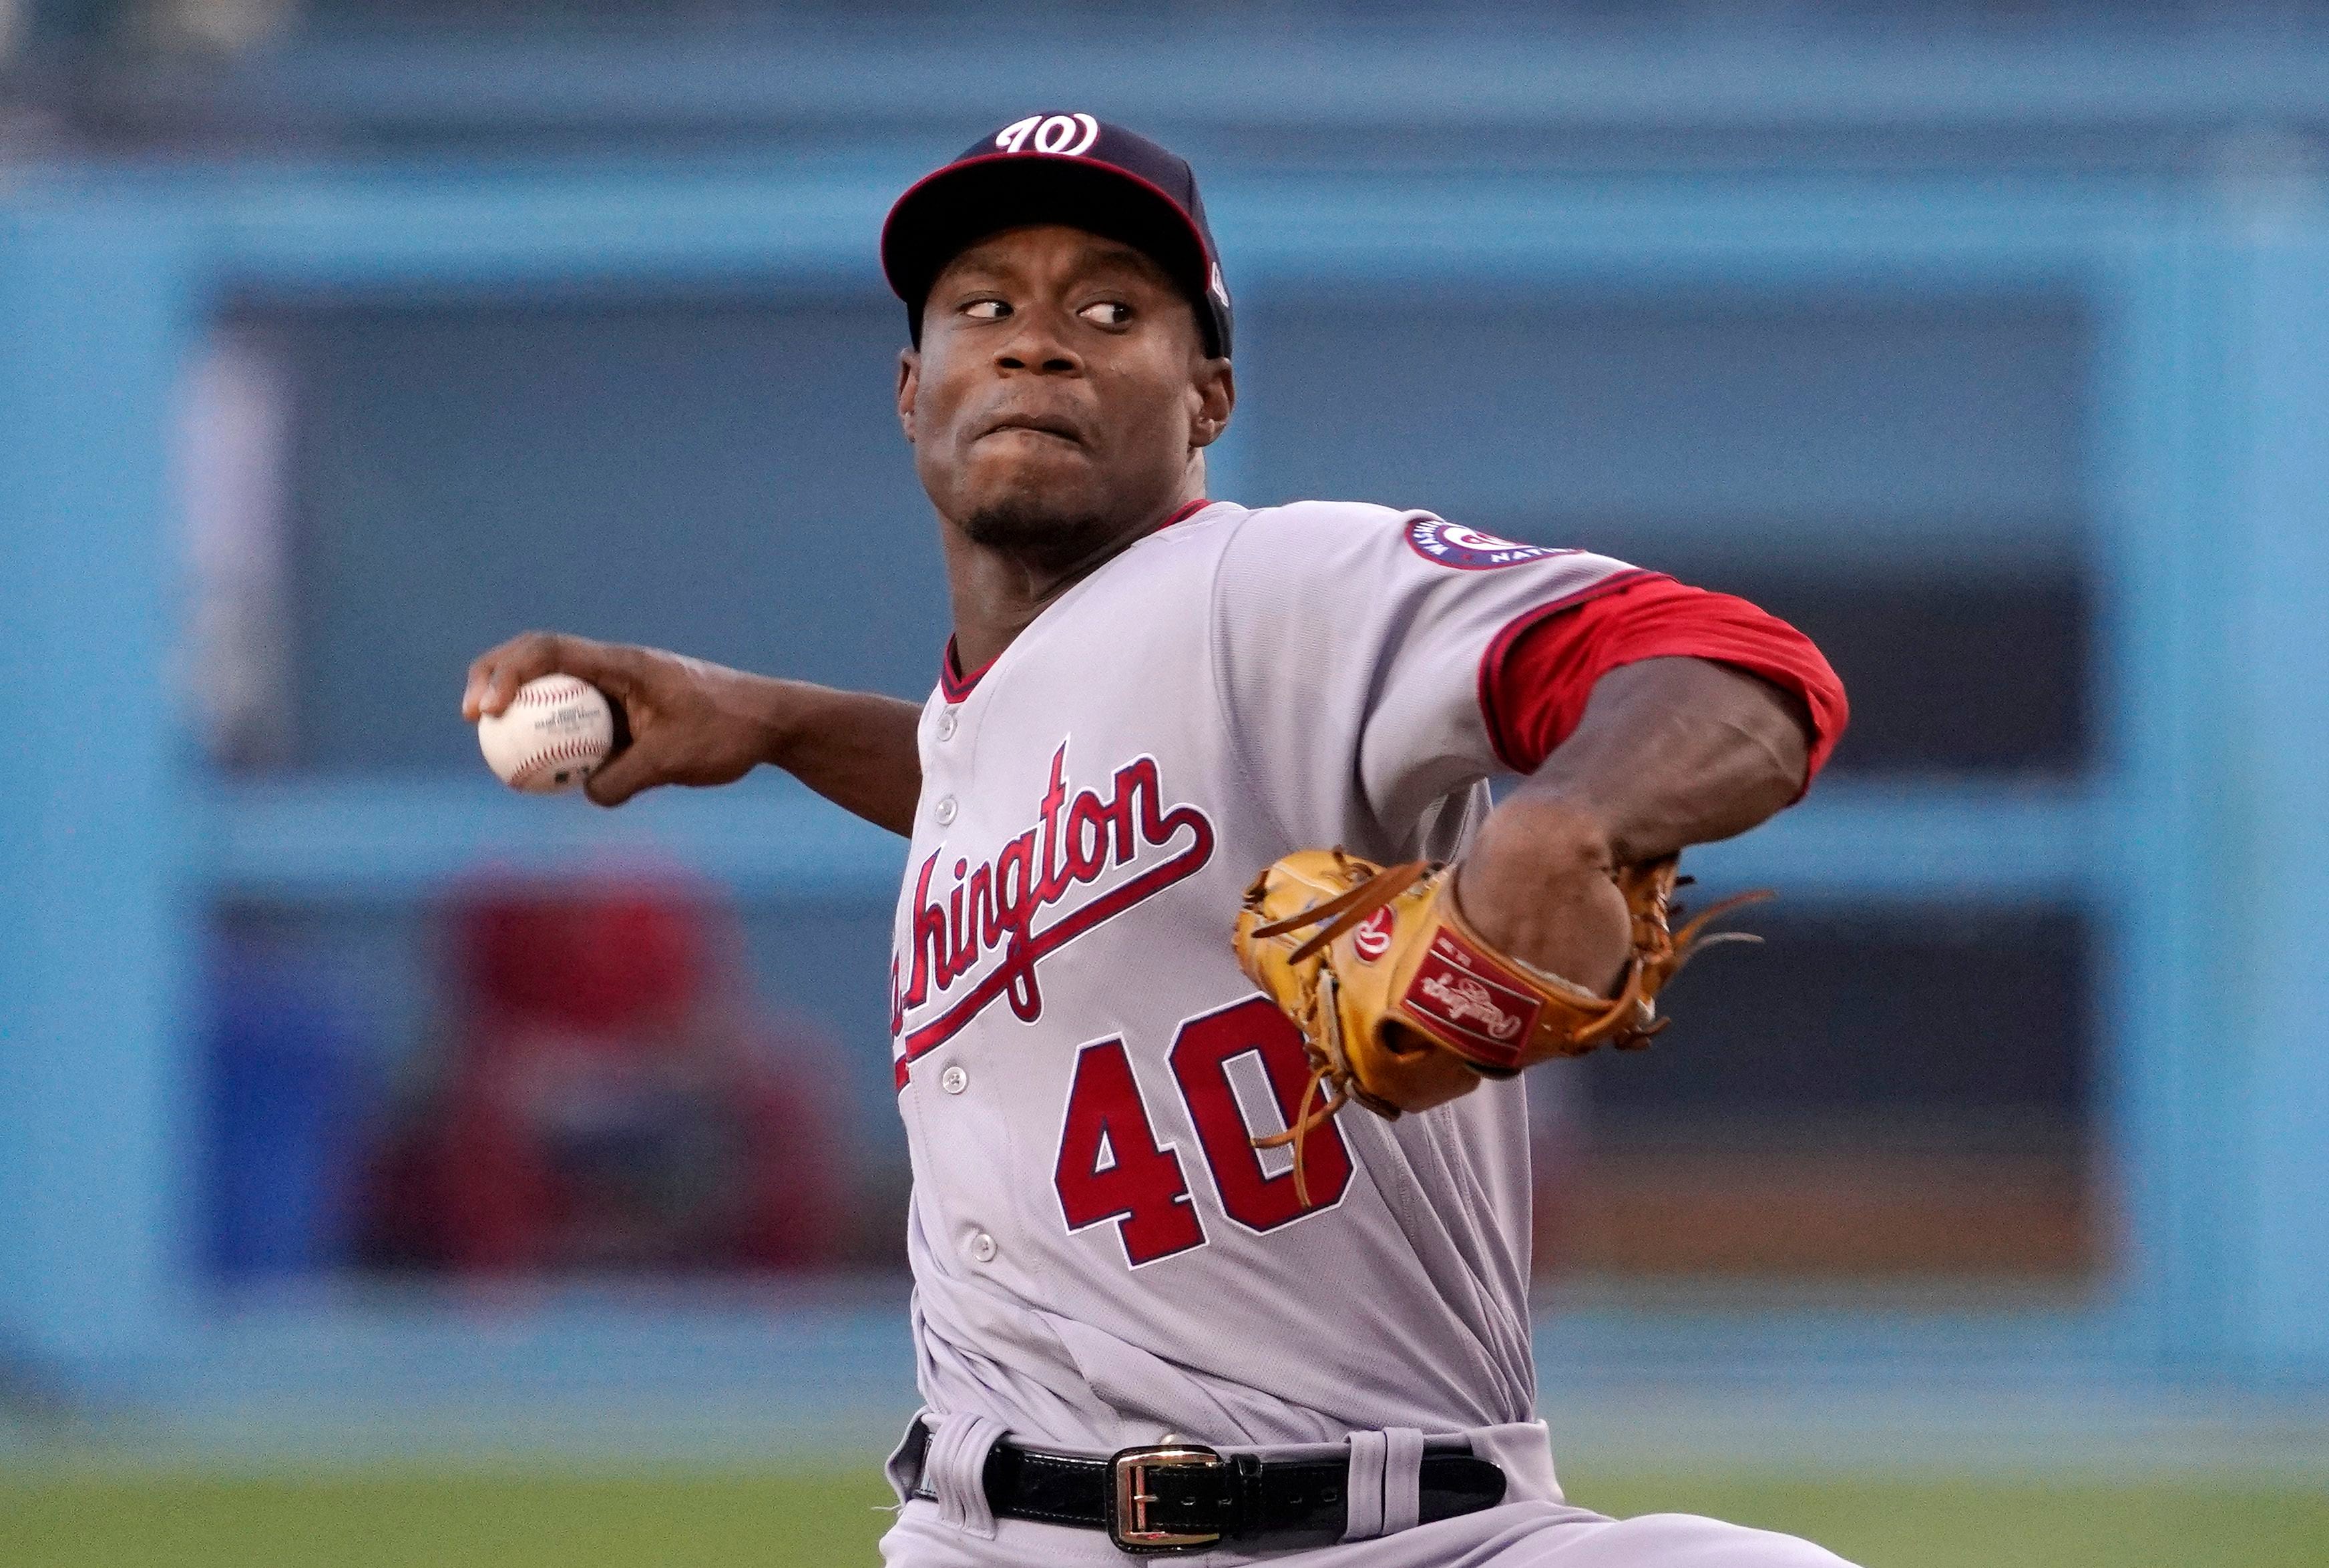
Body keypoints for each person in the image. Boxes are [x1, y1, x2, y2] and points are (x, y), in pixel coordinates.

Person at [464, 114, 1852, 1566]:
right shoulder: (989, 719)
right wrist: (773, 719)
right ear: (909, 388)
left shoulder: (1274, 582)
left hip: (1401, 1533)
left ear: (1210, 392)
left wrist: (1567, 818)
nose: (1036, 343)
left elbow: (1736, 664)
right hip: (981, 1533)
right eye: (981, 307)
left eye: (1110, 309)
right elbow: (1005, 779)